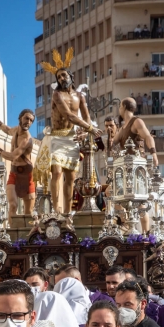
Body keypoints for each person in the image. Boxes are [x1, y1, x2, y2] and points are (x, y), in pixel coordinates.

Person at [33, 52, 101, 213]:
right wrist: (90, 129)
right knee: (56, 172)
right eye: (58, 77)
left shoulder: (80, 97)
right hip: (57, 137)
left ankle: (66, 213)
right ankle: (56, 211)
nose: (61, 79)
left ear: (70, 76)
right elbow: (69, 115)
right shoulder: (57, 95)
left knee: (70, 177)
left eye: (64, 75)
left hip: (72, 139)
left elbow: (87, 118)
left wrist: (86, 132)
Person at [0, 109, 36, 222]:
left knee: (28, 212)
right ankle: (11, 235)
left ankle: (26, 237)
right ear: (20, 118)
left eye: (31, 120)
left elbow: (12, 156)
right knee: (13, 205)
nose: (28, 122)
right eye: (26, 118)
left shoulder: (27, 139)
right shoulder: (15, 130)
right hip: (14, 173)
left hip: (27, 175)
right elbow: (7, 129)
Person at [112, 98, 158, 165]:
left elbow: (148, 137)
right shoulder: (122, 129)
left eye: (120, 106)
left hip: (137, 165)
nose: (119, 109)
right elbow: (112, 144)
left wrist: (153, 154)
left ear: (124, 106)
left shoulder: (136, 122)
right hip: (125, 166)